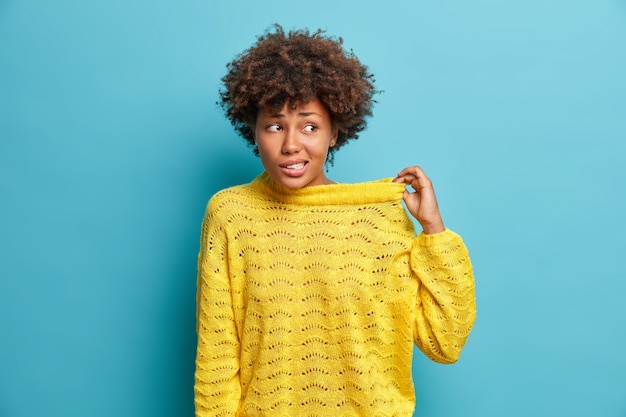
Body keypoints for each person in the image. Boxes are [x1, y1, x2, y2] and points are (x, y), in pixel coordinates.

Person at [195, 24, 476, 417]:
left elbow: (444, 341)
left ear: (334, 133)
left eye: (310, 126)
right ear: (254, 131)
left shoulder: (378, 219)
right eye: (275, 126)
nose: (291, 144)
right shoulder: (231, 215)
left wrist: (434, 231)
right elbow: (217, 355)